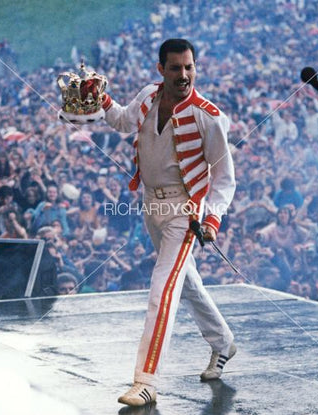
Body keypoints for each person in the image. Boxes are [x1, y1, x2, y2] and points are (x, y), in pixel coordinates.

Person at [101, 38, 236, 407]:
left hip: (183, 213)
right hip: (150, 206)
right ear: (161, 69)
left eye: (189, 67)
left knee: (162, 291)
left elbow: (224, 178)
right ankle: (224, 342)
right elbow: (122, 121)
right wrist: (100, 99)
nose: (184, 75)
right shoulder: (148, 96)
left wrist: (211, 219)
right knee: (186, 282)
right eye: (176, 68)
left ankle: (145, 381)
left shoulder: (208, 116)